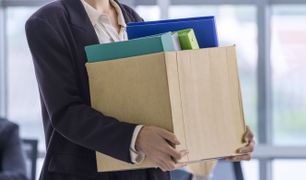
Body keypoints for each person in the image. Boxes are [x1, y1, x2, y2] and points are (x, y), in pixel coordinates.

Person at [25, 0, 255, 179]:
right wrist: (138, 138)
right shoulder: (48, 22)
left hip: (145, 173)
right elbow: (67, 113)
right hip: (82, 172)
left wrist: (223, 134)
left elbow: (163, 99)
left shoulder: (133, 18)